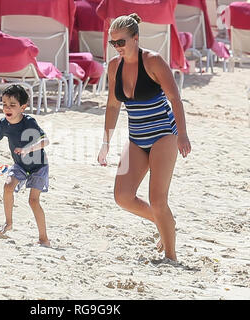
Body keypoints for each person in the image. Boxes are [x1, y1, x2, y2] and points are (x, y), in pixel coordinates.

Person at [97, 13, 191, 262]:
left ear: (136, 38)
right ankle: (165, 223)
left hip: (163, 135)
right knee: (123, 197)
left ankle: (171, 257)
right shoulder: (114, 66)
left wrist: (182, 134)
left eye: (121, 42)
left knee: (158, 200)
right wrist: (105, 142)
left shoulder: (153, 61)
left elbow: (175, 100)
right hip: (137, 138)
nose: (117, 47)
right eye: (113, 43)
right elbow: (113, 106)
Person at [0, 85, 51, 247]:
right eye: (4, 104)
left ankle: (44, 238)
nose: (7, 108)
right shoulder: (4, 124)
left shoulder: (29, 123)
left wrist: (28, 148)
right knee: (8, 187)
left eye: (12, 105)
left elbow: (45, 141)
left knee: (33, 201)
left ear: (23, 107)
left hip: (38, 167)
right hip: (20, 165)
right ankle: (9, 223)